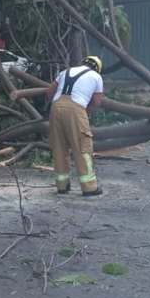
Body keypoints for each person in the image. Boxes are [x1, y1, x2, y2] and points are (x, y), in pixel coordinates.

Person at [45, 55, 105, 196]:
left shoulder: (65, 72)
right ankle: (89, 187)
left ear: (82, 62)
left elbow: (49, 92)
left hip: (56, 107)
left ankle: (62, 186)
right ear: (97, 68)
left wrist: (59, 104)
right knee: (82, 147)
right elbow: (96, 102)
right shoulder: (96, 77)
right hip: (76, 108)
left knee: (59, 147)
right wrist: (84, 112)